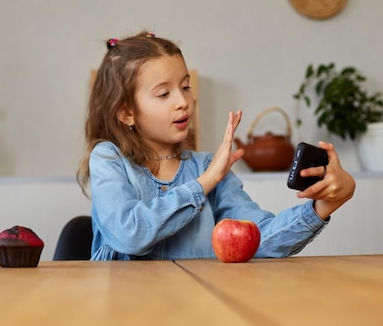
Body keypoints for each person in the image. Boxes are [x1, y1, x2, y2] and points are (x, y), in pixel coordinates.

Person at [76, 31, 355, 260]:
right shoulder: (109, 159)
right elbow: (130, 234)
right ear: (126, 112)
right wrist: (205, 183)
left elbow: (261, 239)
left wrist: (323, 206)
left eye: (185, 87)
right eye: (164, 93)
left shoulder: (208, 167)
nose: (183, 101)